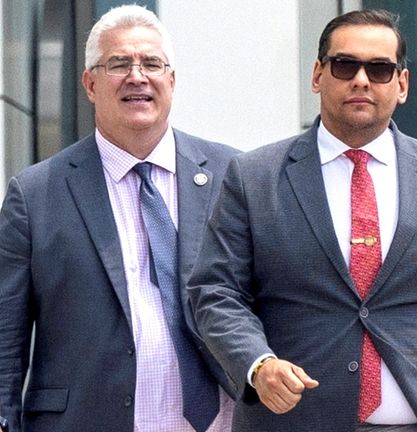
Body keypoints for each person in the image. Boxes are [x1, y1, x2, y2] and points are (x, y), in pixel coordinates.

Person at [186, 9, 417, 432]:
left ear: (402, 84)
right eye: (345, 64)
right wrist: (257, 364)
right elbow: (215, 292)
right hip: (294, 422)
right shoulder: (255, 176)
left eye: (380, 68)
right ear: (317, 75)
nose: (361, 79)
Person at [0, 5, 239, 431]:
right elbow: (5, 337)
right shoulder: (35, 194)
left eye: (151, 63)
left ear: (172, 79)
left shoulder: (232, 176)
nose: (137, 76)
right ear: (90, 83)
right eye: (118, 64)